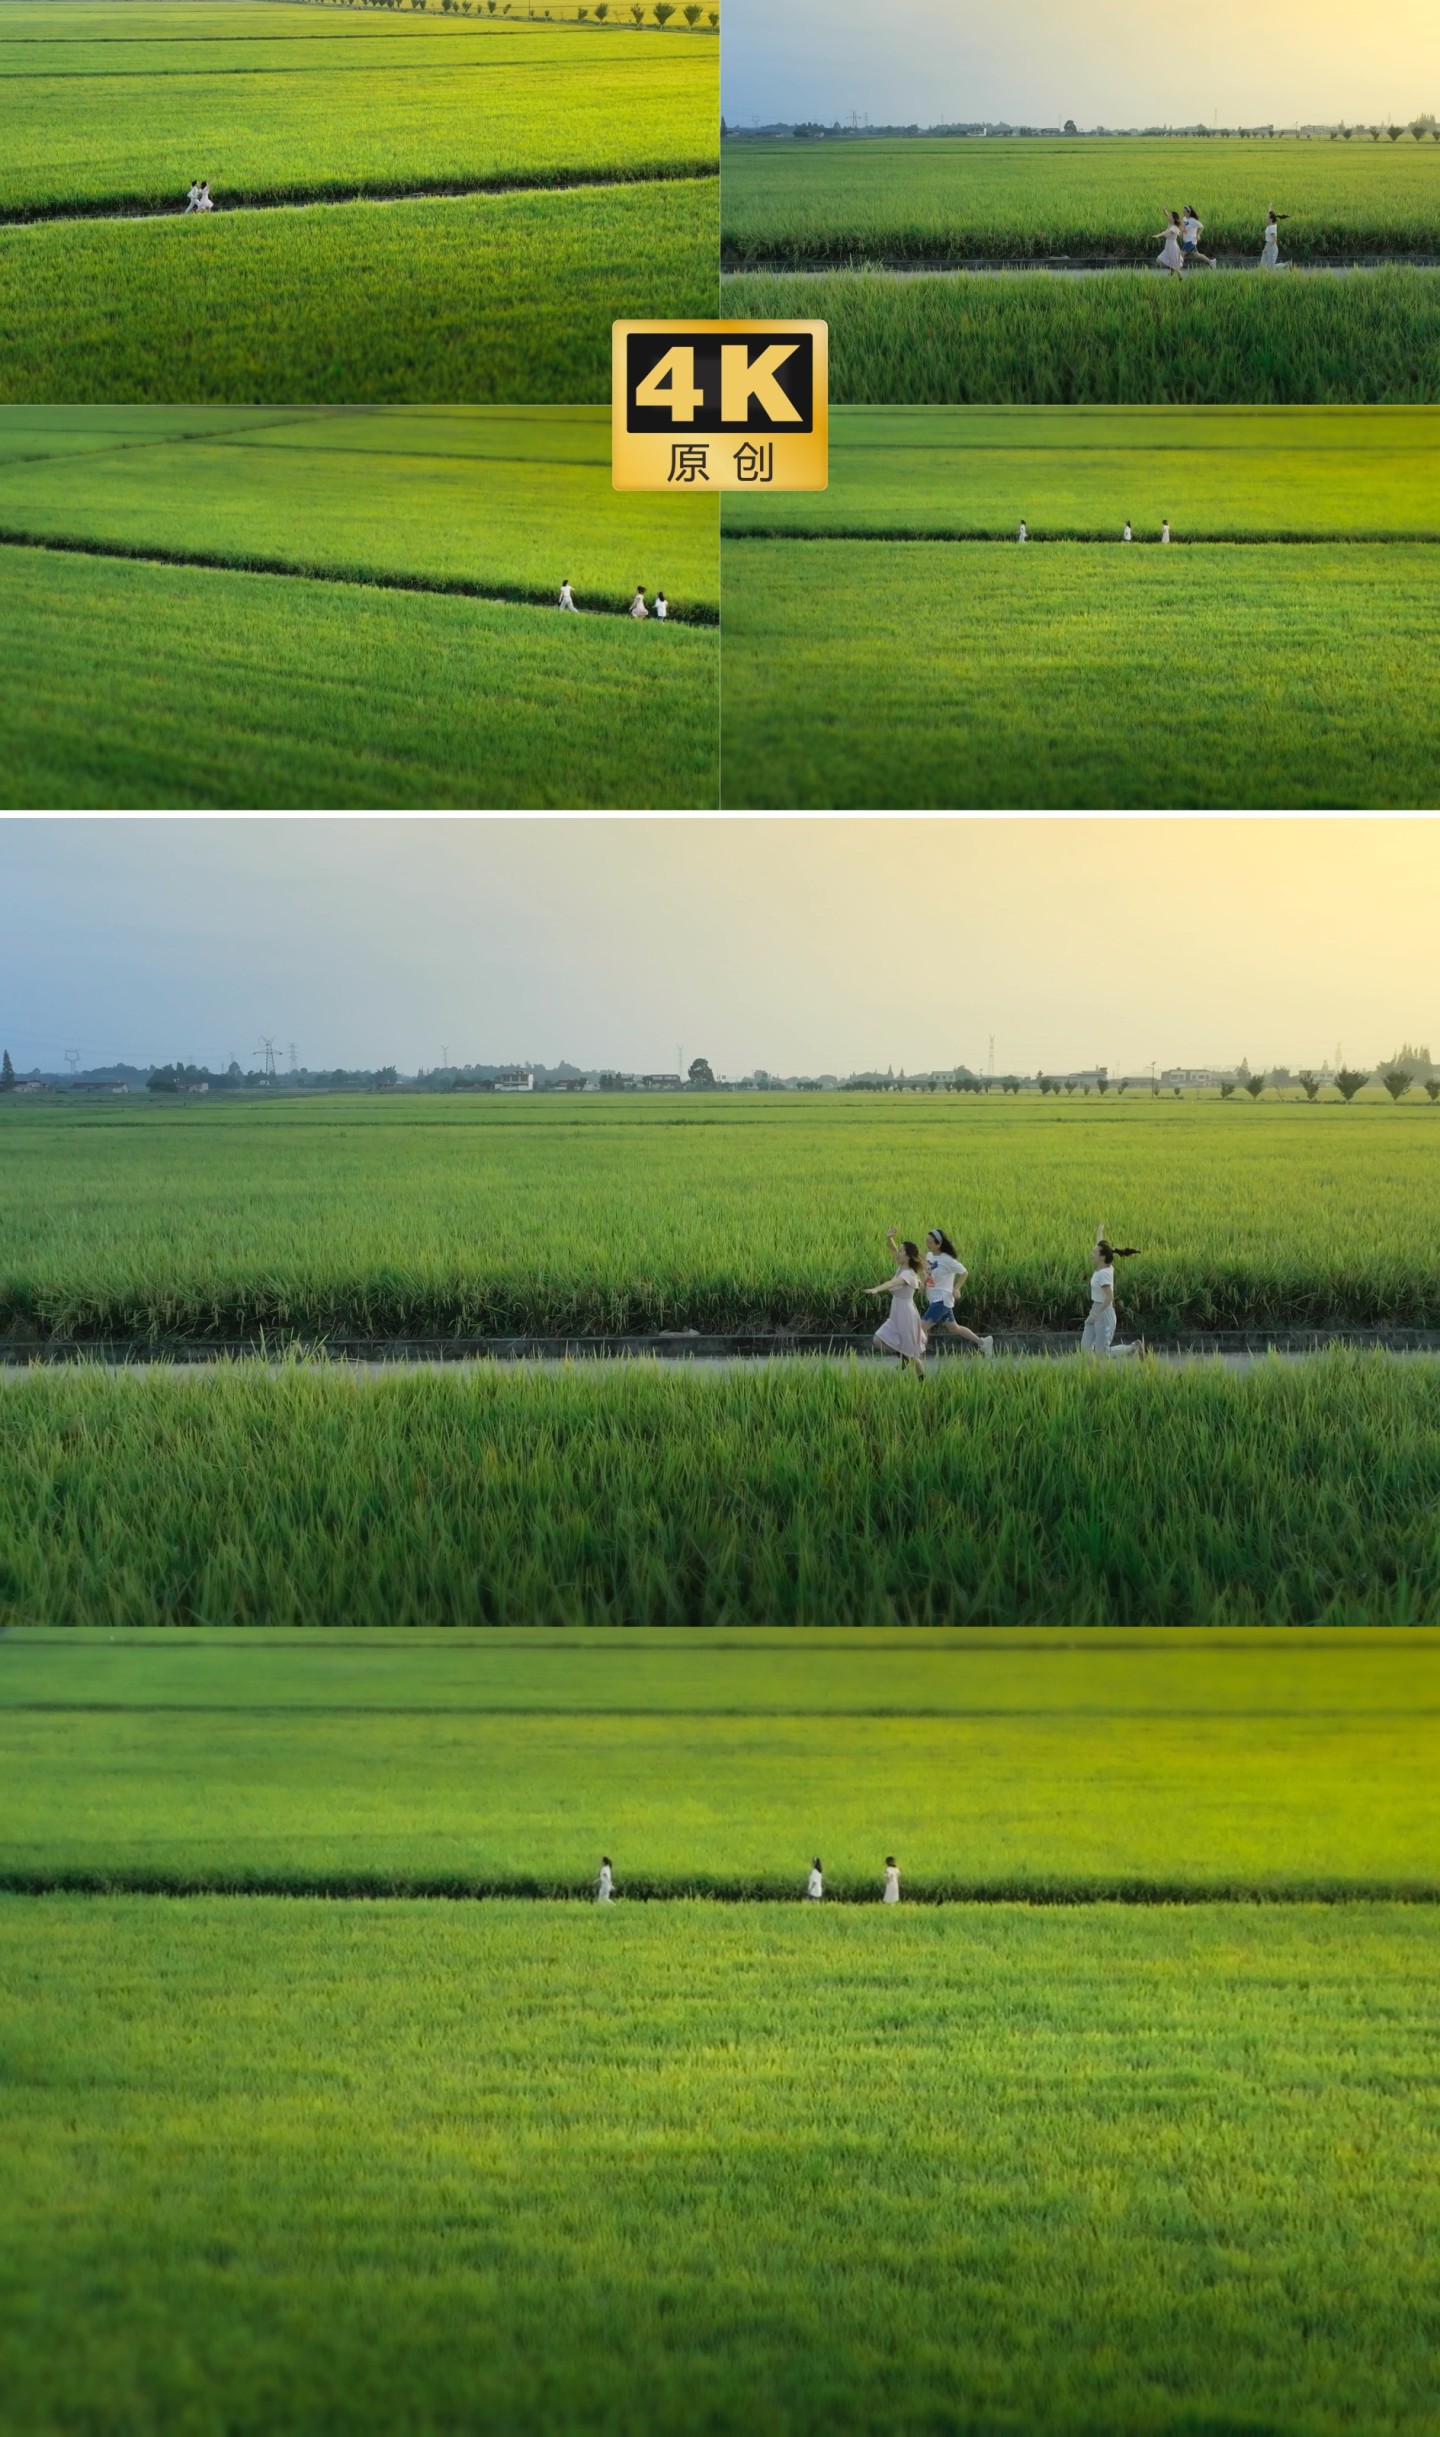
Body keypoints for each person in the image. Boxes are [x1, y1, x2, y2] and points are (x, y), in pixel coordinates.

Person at [906, 1226, 994, 1356]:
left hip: (941, 1300)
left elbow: (964, 1273)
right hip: (937, 1299)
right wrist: (924, 1283)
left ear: (939, 1244)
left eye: (930, 1242)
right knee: (954, 1328)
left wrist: (956, 1288)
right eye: (926, 1241)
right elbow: (928, 1271)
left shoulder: (948, 1260)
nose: (927, 1244)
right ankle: (983, 1343)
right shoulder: (930, 1255)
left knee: (920, 1328)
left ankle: (914, 1358)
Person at [865, 1236, 927, 1375]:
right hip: (897, 1312)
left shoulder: (909, 1275)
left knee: (912, 1353)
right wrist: (888, 1237)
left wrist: (877, 1289)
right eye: (898, 1251)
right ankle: (904, 1357)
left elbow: (892, 1283)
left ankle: (922, 1382)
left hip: (906, 1314)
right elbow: (892, 1248)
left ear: (908, 1256)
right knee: (878, 1339)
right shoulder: (901, 1266)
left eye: (901, 1251)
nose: (897, 1253)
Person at [1082, 1227, 1145, 1356]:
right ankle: (1090, 1373)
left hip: (1104, 1313)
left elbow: (1109, 1297)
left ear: (1102, 1257)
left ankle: (1134, 1348)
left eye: (1094, 1253)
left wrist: (1095, 1315)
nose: (1091, 1254)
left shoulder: (1104, 1274)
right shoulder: (1104, 1265)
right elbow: (1100, 1246)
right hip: (1096, 1308)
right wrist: (1099, 1231)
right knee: (1085, 1350)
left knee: (1102, 1353)